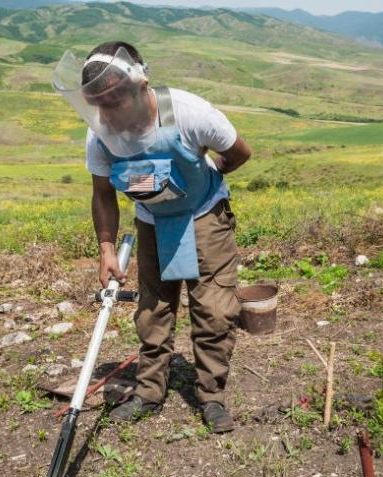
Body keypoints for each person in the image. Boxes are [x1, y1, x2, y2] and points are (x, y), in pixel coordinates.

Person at [52, 41, 251, 433]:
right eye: (100, 102)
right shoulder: (100, 136)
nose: (111, 110)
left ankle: (211, 395)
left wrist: (210, 175)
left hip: (203, 213)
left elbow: (239, 152)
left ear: (141, 86)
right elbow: (103, 193)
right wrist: (106, 249)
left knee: (213, 309)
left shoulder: (190, 113)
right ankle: (148, 391)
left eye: (116, 98)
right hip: (152, 220)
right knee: (153, 309)